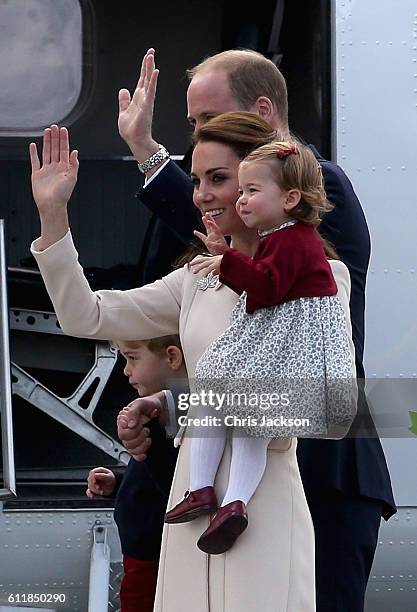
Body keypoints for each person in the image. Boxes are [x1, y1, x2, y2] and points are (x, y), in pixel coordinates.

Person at [26, 112, 351, 611]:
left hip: (260, 502)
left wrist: (188, 404)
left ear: (267, 185)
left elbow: (334, 409)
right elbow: (84, 315)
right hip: (189, 503)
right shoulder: (195, 280)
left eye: (219, 179)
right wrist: (53, 216)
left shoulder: (322, 275)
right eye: (198, 181)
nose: (203, 195)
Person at [118, 48, 396, 611]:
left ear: (263, 115)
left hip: (321, 468)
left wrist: (149, 155)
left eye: (206, 122)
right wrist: (173, 409)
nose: (197, 138)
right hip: (255, 456)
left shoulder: (317, 187)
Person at [164, 139, 356, 556]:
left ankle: (216, 495)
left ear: (289, 198)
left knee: (228, 408)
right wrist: (224, 254)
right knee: (238, 415)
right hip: (278, 344)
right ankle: (221, 498)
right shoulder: (283, 237)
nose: (241, 199)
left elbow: (266, 287)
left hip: (283, 348)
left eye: (252, 191)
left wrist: (227, 263)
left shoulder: (295, 240)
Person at [86, 336, 184, 612]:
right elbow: (148, 477)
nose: (126, 370)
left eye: (133, 358)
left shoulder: (166, 425)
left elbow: (173, 484)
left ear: (172, 357)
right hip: (143, 555)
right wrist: (117, 482)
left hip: (153, 558)